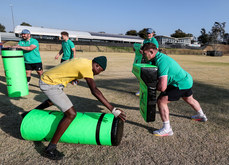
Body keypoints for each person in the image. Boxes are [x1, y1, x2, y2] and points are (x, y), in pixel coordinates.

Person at [22, 56, 126, 160]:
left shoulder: (84, 61)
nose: (98, 73)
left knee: (51, 101)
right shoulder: (87, 68)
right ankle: (50, 149)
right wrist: (112, 109)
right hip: (50, 83)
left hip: (50, 79)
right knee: (71, 114)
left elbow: (69, 65)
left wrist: (73, 76)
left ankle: (29, 114)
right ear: (96, 65)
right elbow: (94, 91)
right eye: (99, 70)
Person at [141, 43, 207, 137]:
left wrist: (151, 87)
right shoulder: (156, 57)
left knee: (161, 101)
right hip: (186, 79)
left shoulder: (161, 61)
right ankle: (201, 115)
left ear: (151, 52)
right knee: (189, 99)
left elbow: (162, 87)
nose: (143, 55)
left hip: (180, 83)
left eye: (144, 53)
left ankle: (167, 129)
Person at [135, 28, 159, 96]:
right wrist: (140, 50)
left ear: (152, 34)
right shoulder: (145, 40)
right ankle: (142, 90)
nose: (148, 34)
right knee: (143, 76)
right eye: (147, 33)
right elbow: (143, 49)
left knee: (151, 78)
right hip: (145, 60)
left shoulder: (154, 41)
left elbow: (155, 51)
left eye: (150, 33)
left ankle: (151, 91)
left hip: (152, 61)